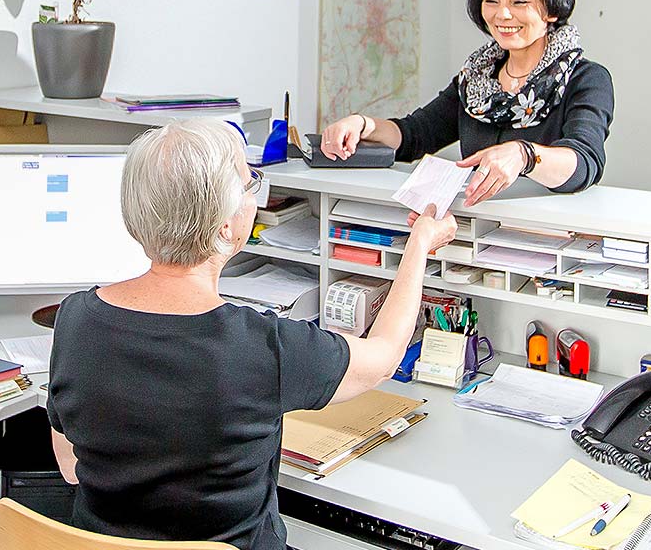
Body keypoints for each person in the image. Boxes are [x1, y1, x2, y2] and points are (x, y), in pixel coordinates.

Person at [46, 118, 458, 549]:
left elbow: (71, 466)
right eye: (250, 185)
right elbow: (385, 354)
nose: (255, 197)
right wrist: (419, 245)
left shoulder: (76, 319)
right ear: (226, 226)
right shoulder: (261, 347)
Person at [321, 0, 615, 203]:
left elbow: (584, 161)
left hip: (545, 236)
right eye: (492, 1)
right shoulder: (477, 78)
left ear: (552, 10)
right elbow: (415, 134)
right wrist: (363, 125)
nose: (503, 14)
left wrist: (524, 155)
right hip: (475, 229)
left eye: (519, 2)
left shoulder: (586, 79)